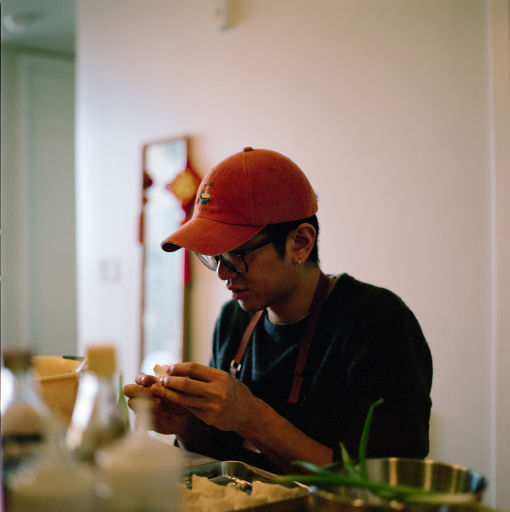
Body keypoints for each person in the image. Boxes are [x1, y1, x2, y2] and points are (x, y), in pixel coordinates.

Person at [124, 147, 432, 473]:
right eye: (215, 256)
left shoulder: (378, 323)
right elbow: (223, 460)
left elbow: (383, 481)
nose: (223, 273)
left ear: (300, 242)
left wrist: (252, 418)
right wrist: (185, 425)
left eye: (237, 254)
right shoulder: (233, 320)